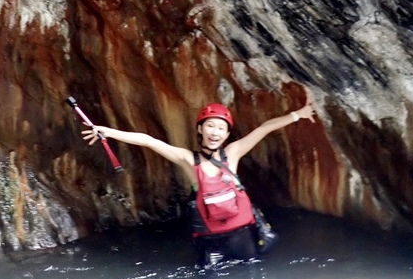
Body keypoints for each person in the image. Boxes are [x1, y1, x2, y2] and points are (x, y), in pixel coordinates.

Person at [82, 100, 316, 266]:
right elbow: (149, 141)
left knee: (251, 274)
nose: (215, 132)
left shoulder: (232, 153)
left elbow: (265, 128)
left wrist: (299, 114)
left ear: (226, 135)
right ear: (200, 129)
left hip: (242, 236)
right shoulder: (187, 160)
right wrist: (108, 132)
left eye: (221, 128)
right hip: (210, 240)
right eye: (210, 126)